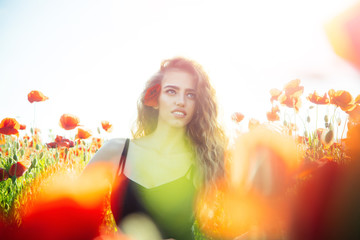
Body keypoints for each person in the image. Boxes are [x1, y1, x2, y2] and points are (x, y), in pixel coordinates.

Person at [85, 57, 227, 240]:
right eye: (171, 91)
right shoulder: (117, 151)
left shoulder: (205, 159)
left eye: (191, 94)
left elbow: (256, 220)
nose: (181, 101)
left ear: (198, 104)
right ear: (155, 98)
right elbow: (72, 220)